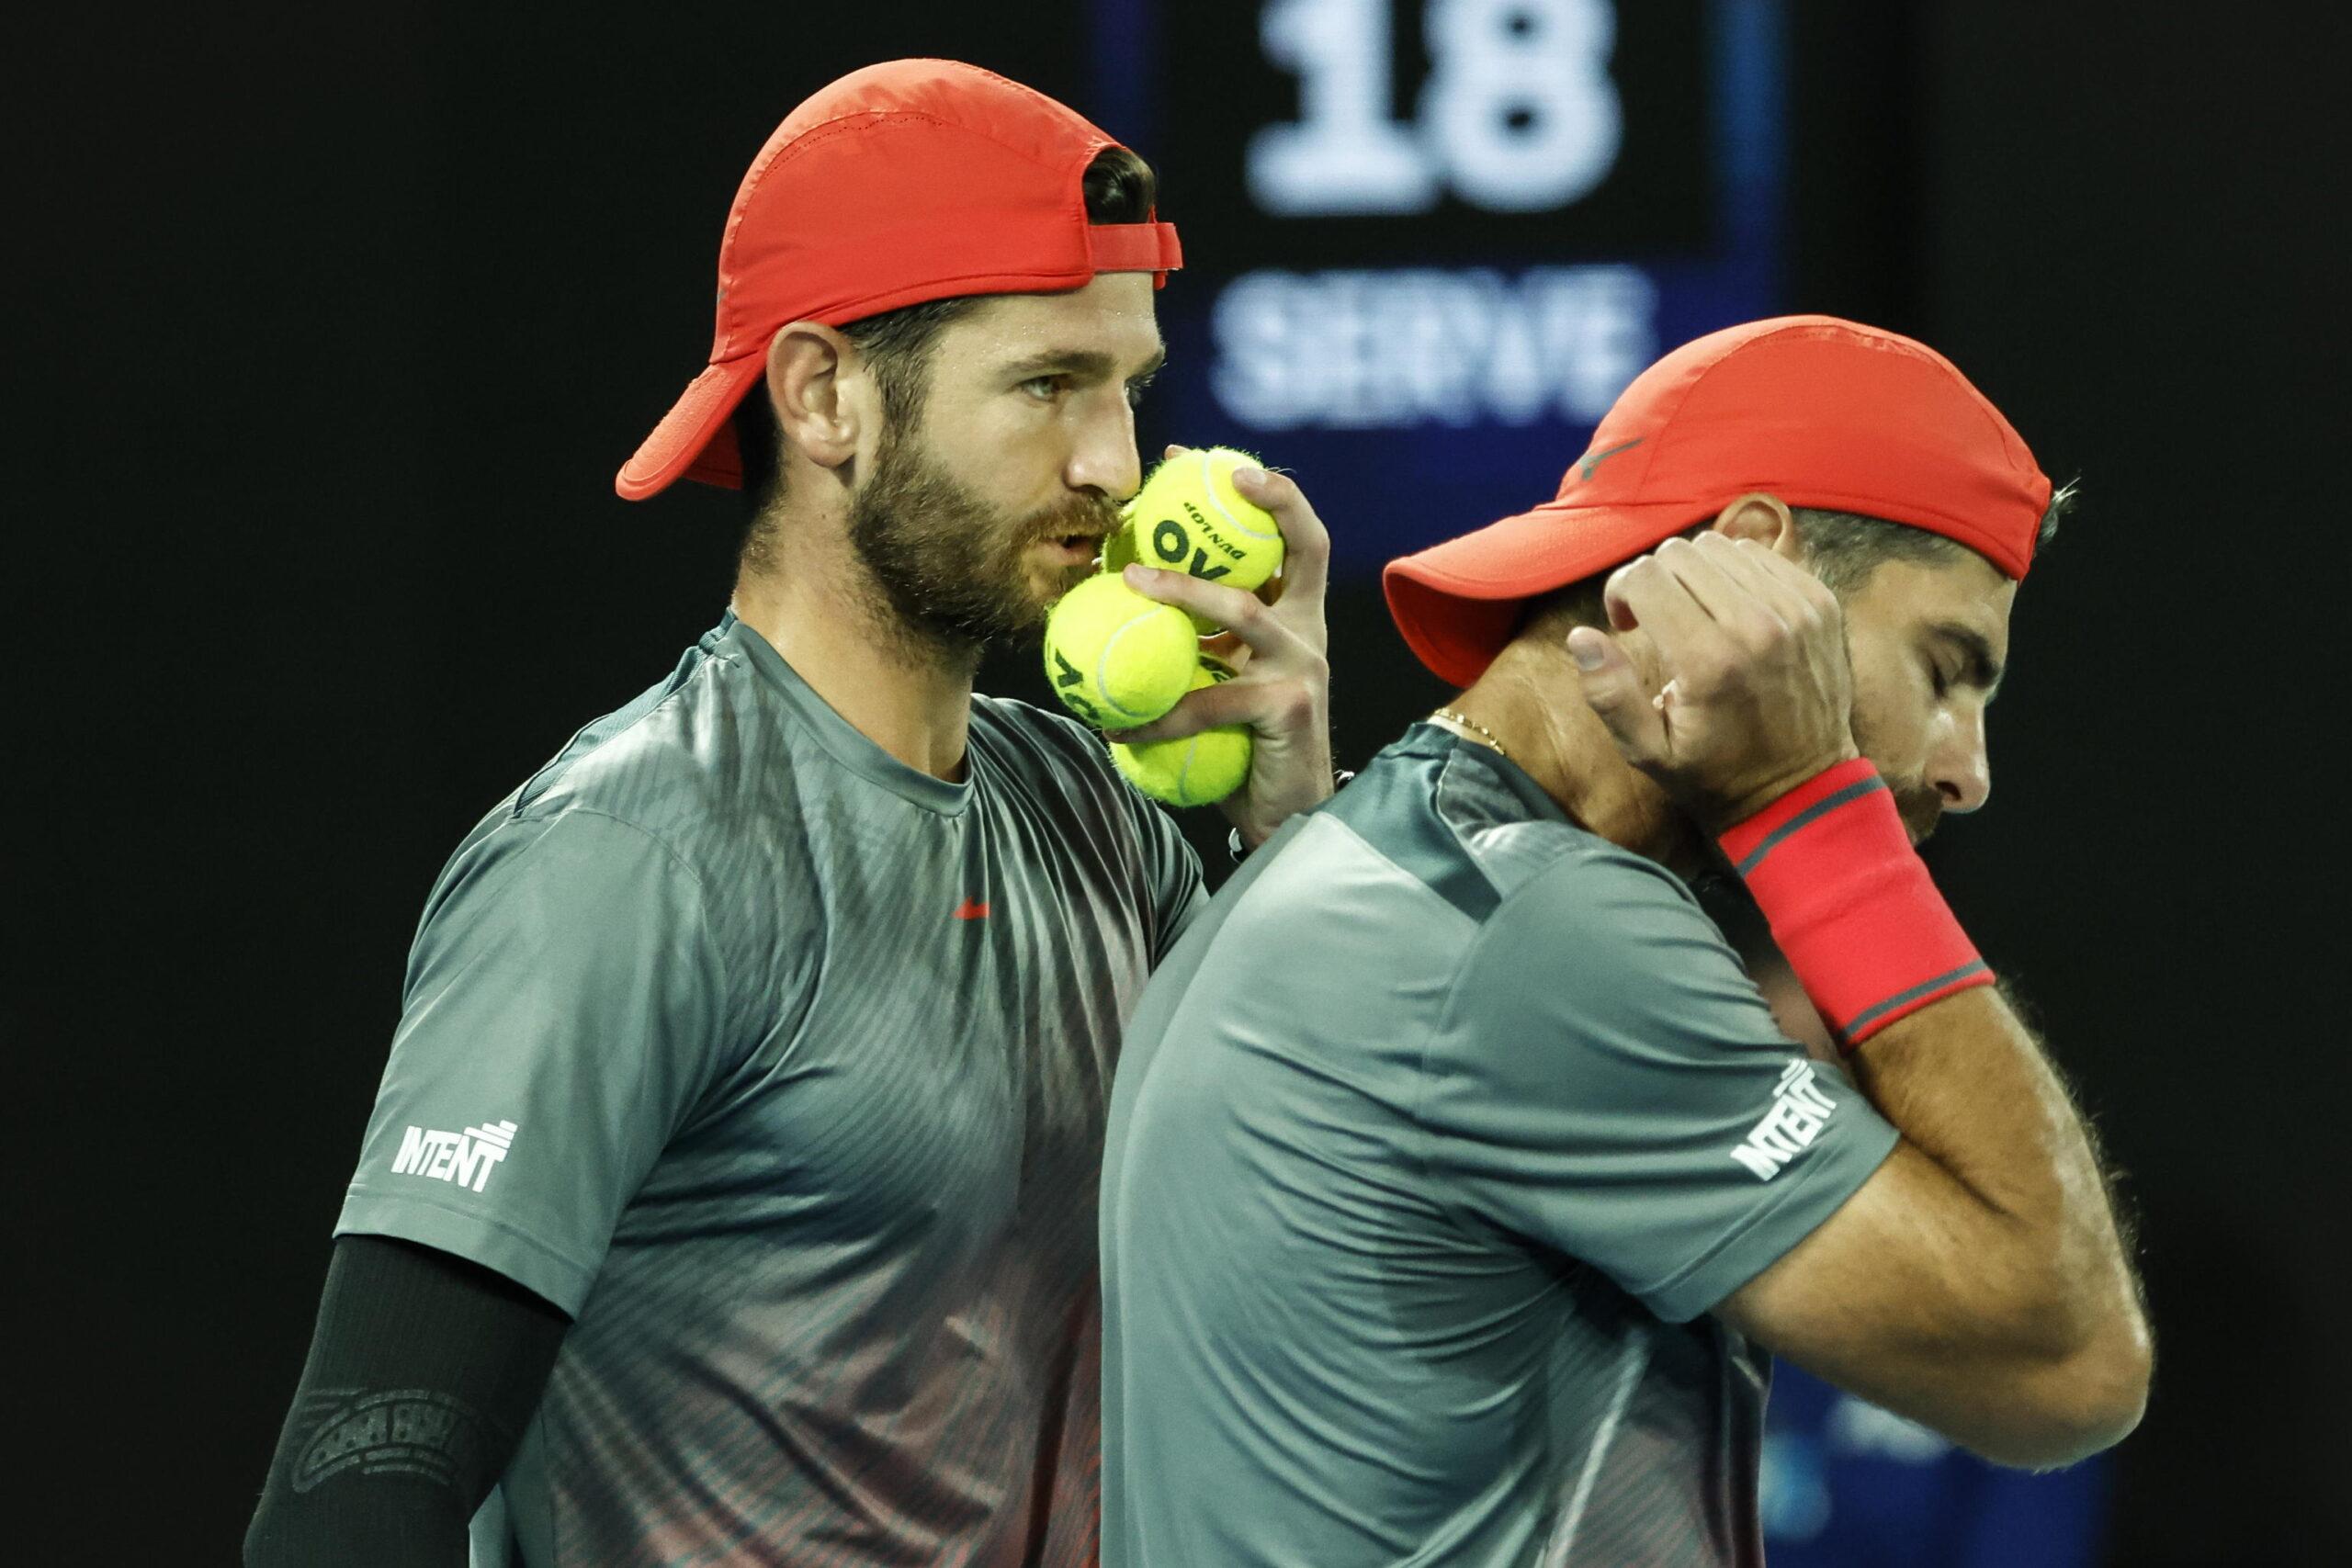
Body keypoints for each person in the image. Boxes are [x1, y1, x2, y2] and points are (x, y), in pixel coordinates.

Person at [243, 59, 1335, 1568]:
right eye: (1046, 386)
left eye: (1126, 390)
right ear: (825, 394)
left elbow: (1358, 1275)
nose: (1115, 465)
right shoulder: (624, 858)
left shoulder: (1101, 818)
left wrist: (1303, 834)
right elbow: (357, 1492)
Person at [1100, 315, 2152, 1567]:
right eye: (1946, 668)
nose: (1964, 769)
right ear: (1757, 566)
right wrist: (1810, 805)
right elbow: (2066, 1363)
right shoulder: (1535, 933)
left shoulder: (1371, 864)